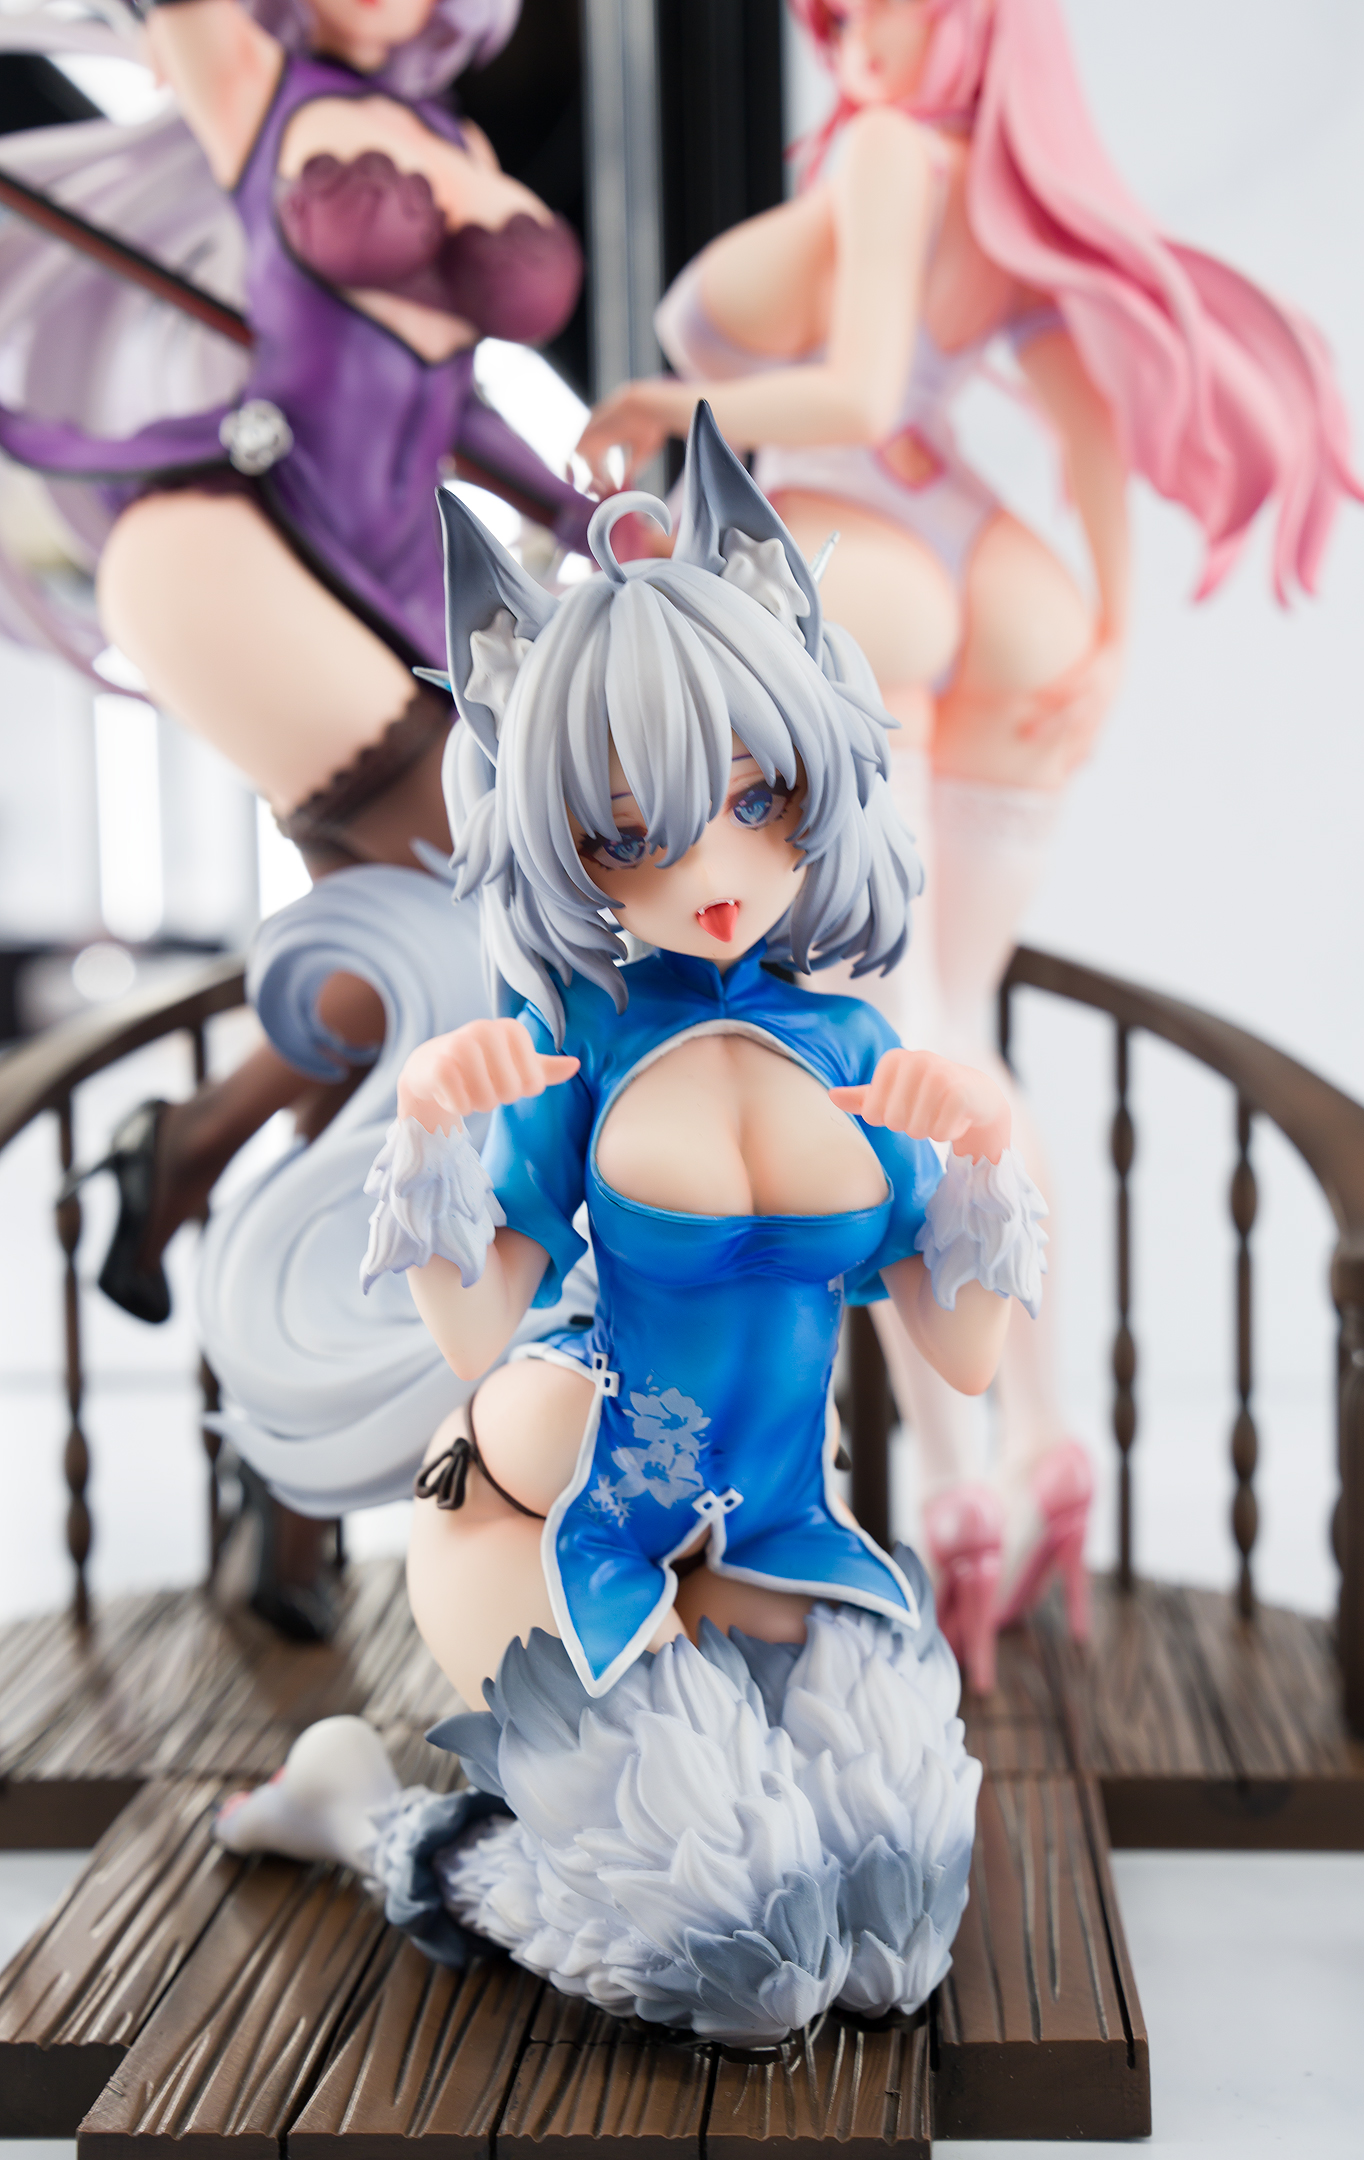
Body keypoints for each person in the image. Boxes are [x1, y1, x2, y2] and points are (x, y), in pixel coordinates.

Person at [213, 405, 1049, 2042]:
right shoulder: (580, 1047)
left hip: (777, 1530)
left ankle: (629, 1780)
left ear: (816, 773)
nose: (715, 866)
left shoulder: (857, 1048)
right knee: (742, 1963)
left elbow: (958, 1357)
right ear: (568, 844)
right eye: (632, 831)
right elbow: (476, 1339)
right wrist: (432, 1130)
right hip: (560, 1515)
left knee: (893, 1932)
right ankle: (362, 1812)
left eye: (757, 798)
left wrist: (985, 1159)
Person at [574, 0, 1364, 1684]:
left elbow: (861, 388)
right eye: (840, 14)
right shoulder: (1008, 205)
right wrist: (1109, 640)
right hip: (1009, 581)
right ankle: (1047, 1438)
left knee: (902, 1045)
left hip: (862, 549)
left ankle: (955, 1492)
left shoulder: (890, 153)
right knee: (964, 1030)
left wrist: (670, 392)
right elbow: (1086, 430)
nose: (853, 31)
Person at [0, 0, 594, 1325]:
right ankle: (241, 1187)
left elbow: (452, 392)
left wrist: (581, 511)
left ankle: (218, 1180)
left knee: (413, 940)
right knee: (494, 874)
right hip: (231, 546)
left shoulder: (455, 136)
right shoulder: (247, 76)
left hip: (392, 572)